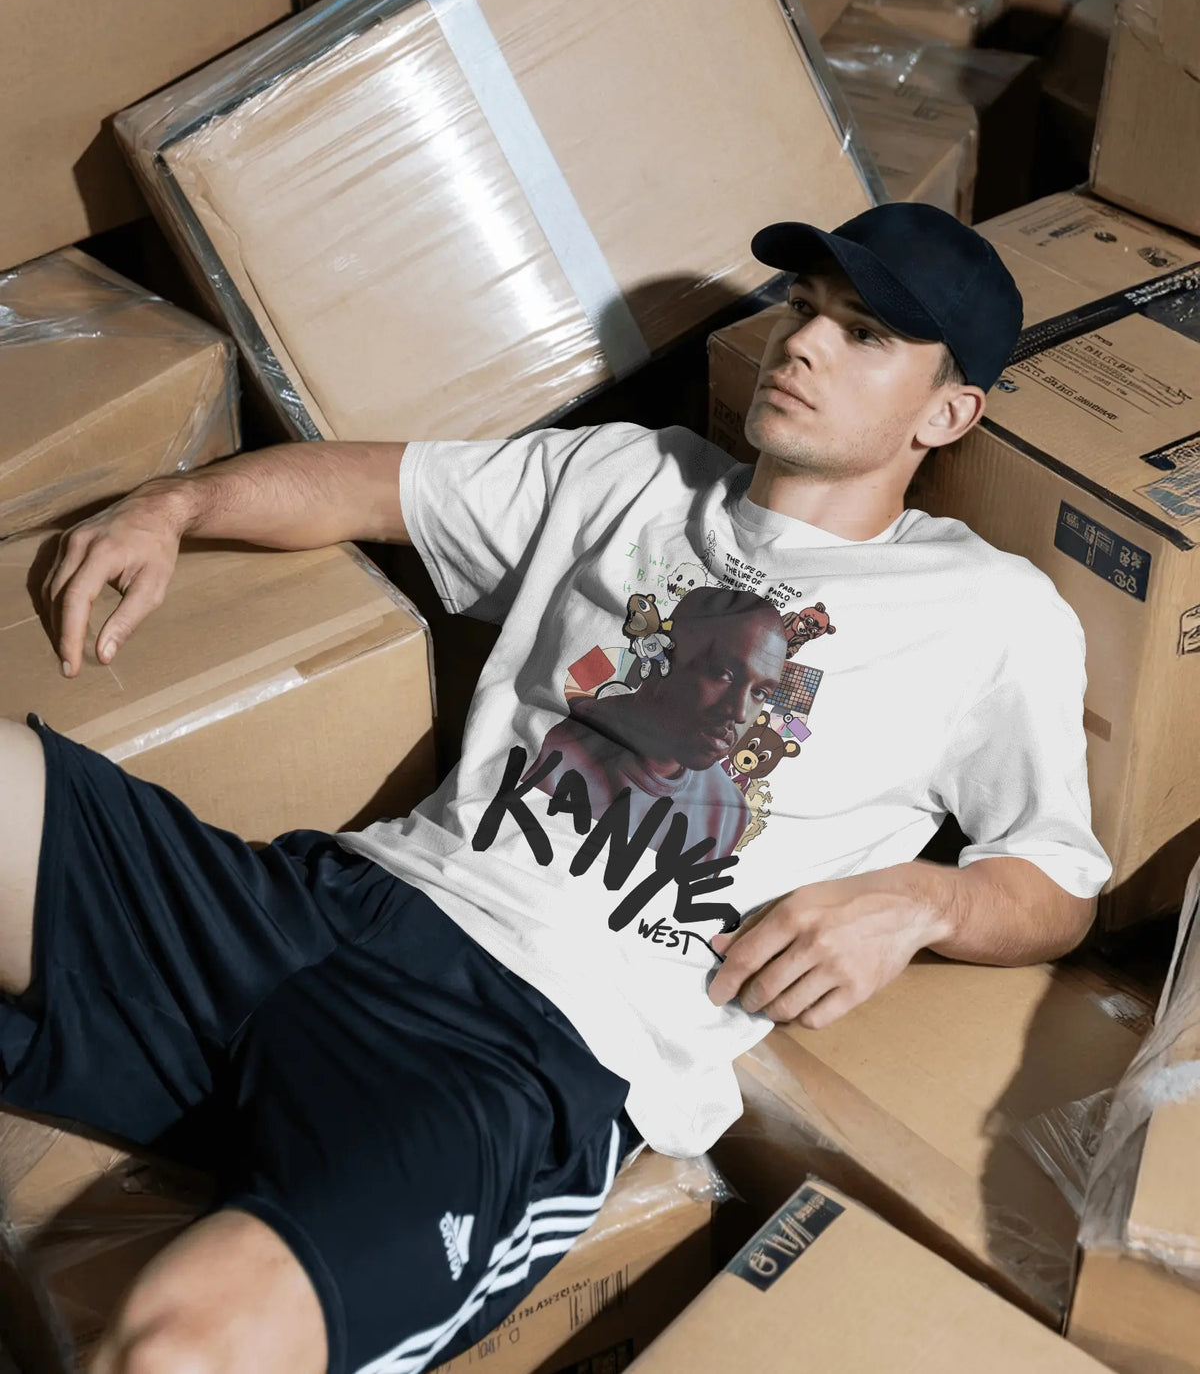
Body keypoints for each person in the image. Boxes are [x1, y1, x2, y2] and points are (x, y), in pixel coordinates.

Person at [0, 204, 1110, 1374]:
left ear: (947, 413)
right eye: (803, 311)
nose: (803, 346)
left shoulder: (989, 614)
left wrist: (920, 901)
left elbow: (1060, 887)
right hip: (326, 902)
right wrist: (177, 505)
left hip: (521, 1049)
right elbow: (372, 489)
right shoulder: (633, 471)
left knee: (181, 1347)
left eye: (865, 335)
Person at [530, 585, 791, 860]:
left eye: (759, 692)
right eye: (722, 673)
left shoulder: (728, 816)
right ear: (664, 658)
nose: (740, 712)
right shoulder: (551, 739)